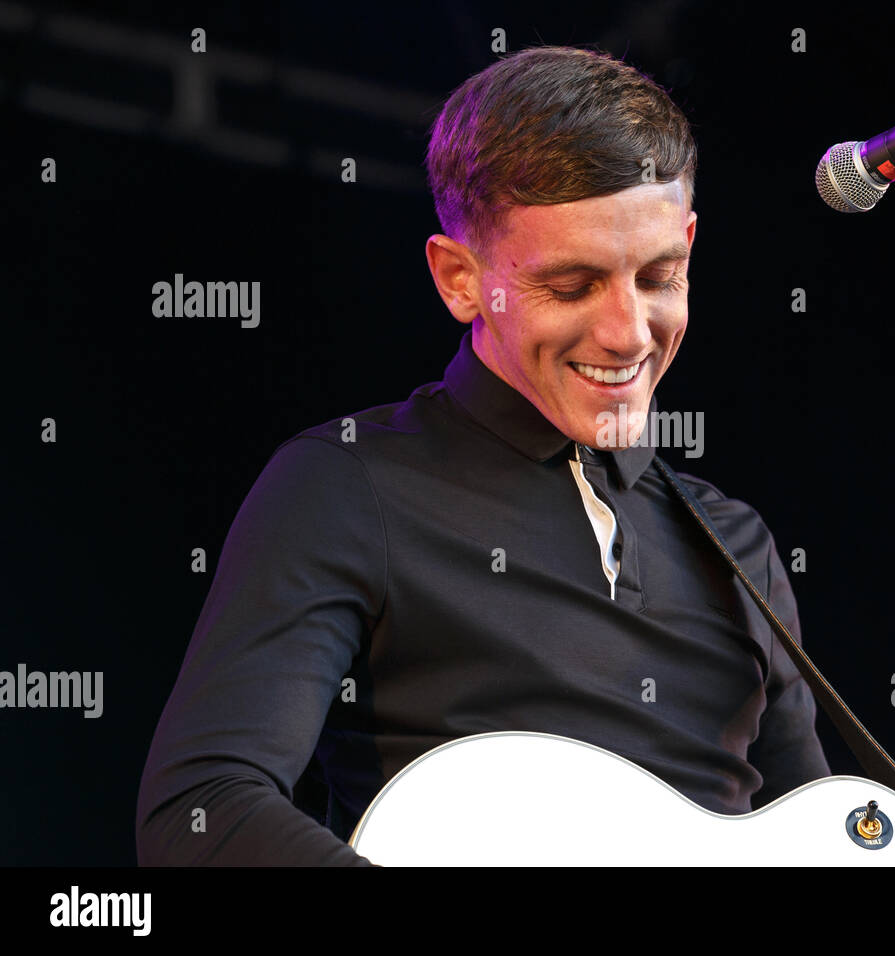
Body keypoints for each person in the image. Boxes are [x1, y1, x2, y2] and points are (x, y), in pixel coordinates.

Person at [135, 44, 834, 865]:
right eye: (570, 286)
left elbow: (809, 846)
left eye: (658, 276)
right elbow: (203, 809)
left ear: (688, 242)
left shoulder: (737, 543)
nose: (627, 331)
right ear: (459, 278)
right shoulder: (347, 486)